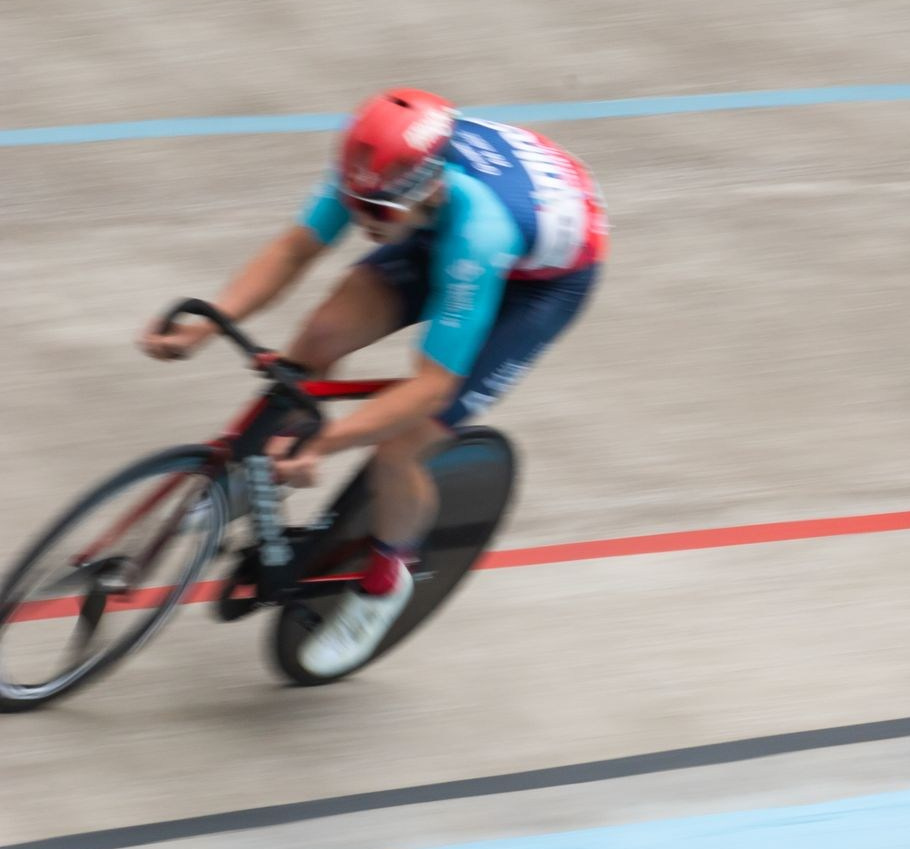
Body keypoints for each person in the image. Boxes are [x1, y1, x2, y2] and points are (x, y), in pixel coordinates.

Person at [138, 89, 604, 676]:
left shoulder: (479, 231)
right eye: (353, 203)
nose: (361, 223)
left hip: (539, 284)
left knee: (400, 444)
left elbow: (431, 385)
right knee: (323, 332)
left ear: (425, 186)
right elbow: (294, 249)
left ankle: (387, 583)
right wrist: (208, 324)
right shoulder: (380, 172)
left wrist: (330, 442)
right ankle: (265, 468)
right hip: (452, 217)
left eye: (377, 212)